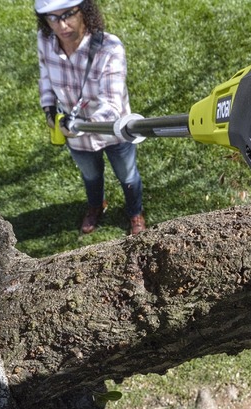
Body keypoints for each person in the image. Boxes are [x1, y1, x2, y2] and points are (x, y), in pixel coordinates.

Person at [35, 0, 146, 235]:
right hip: (75, 136)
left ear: (84, 10)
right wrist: (49, 111)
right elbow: (45, 75)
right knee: (91, 175)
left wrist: (81, 126)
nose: (62, 25)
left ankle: (135, 212)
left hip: (114, 132)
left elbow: (113, 103)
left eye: (68, 14)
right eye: (52, 18)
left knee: (128, 175)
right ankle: (97, 206)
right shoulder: (45, 41)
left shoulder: (109, 47)